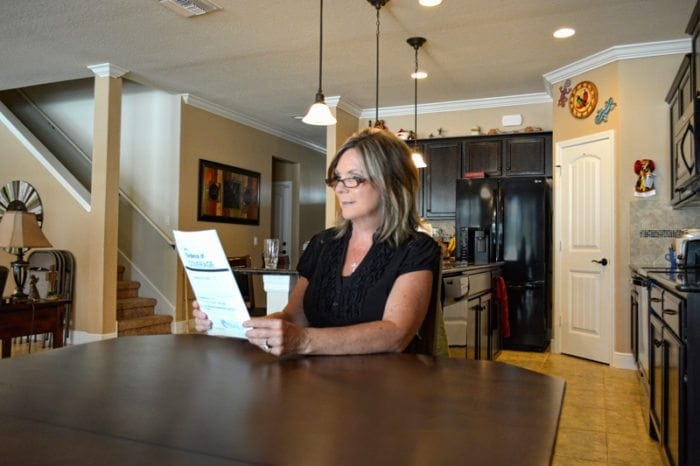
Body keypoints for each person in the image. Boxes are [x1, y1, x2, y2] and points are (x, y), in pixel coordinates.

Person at [193, 128, 441, 357]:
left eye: (353, 178)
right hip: (318, 386)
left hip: (384, 389)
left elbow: (395, 334)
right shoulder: (323, 243)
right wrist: (240, 325)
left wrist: (303, 341)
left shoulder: (415, 247)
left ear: (391, 182)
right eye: (337, 178)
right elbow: (293, 317)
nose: (340, 189)